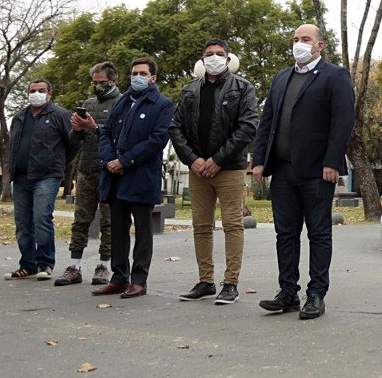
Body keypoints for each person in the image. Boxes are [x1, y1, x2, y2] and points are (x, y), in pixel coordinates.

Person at [251, 24, 355, 320]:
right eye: (296, 39)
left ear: (319, 46)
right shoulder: (281, 78)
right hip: (283, 169)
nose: (298, 43)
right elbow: (267, 121)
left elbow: (343, 121)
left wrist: (332, 162)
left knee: (319, 233)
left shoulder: (335, 76)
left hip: (317, 171)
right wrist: (259, 160)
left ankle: (316, 294)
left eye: (305, 39)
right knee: (285, 234)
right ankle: (288, 292)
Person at [169, 39, 259, 305]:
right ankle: (205, 281)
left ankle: (230, 283)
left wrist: (218, 159)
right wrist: (193, 160)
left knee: (232, 225)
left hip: (229, 168)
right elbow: (175, 128)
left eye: (220, 54)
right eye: (209, 54)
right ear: (202, 59)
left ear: (228, 59)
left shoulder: (243, 87)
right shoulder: (189, 90)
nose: (215, 57)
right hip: (198, 169)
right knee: (201, 226)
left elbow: (248, 126)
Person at [93, 57, 175, 299]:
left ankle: (139, 281)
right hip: (115, 176)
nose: (137, 77)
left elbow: (157, 140)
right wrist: (110, 160)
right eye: (134, 73)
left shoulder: (162, 104)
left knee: (142, 231)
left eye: (142, 73)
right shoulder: (122, 102)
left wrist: (125, 161)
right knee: (118, 229)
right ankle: (119, 278)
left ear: (153, 78)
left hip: (141, 176)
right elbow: (106, 133)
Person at [4, 79, 78, 281]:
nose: (36, 93)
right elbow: (15, 144)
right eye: (33, 90)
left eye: (41, 90)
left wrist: (57, 162)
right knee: (22, 223)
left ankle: (45, 264)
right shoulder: (19, 117)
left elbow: (74, 143)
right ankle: (27, 265)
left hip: (47, 176)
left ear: (49, 94)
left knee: (41, 219)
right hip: (21, 177)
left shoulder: (60, 115)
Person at [56, 62, 121, 287]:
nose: (98, 86)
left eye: (102, 82)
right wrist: (77, 129)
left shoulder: (122, 103)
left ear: (114, 81)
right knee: (81, 220)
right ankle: (74, 266)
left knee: (109, 222)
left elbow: (120, 137)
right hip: (86, 168)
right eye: (95, 82)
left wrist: (94, 127)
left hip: (110, 170)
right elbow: (74, 140)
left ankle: (104, 265)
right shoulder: (88, 104)